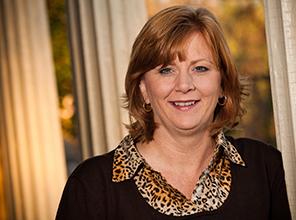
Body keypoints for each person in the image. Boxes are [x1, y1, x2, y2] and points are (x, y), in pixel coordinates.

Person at [56, 5, 291, 219]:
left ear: (222, 84)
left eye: (200, 68)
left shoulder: (266, 167)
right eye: (166, 70)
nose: (184, 85)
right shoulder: (92, 187)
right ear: (143, 89)